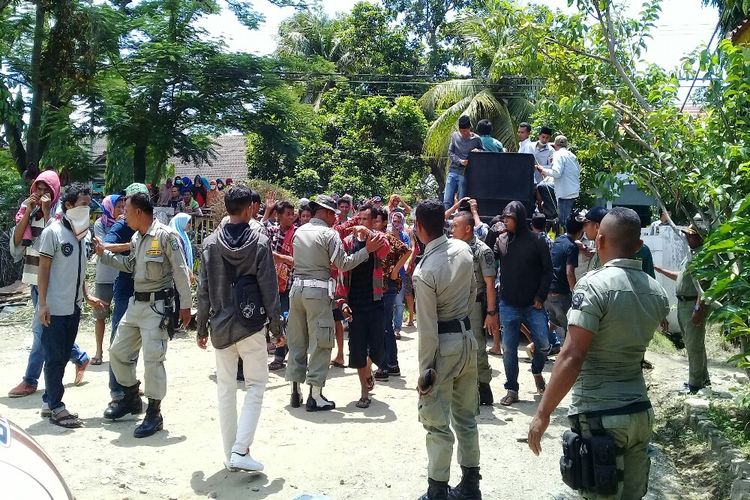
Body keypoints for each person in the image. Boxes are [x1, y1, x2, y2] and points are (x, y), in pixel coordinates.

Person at [528, 207, 670, 499]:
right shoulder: (657, 292)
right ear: (639, 246)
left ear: (600, 241)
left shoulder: (593, 286)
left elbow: (572, 356)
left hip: (601, 417)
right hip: (640, 413)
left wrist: (542, 413)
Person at [196, 185, 282, 473]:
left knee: (226, 389)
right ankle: (240, 449)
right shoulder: (259, 242)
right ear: (249, 209)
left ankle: (230, 453)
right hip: (251, 325)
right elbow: (269, 287)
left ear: (226, 209)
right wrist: (276, 325)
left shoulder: (209, 243)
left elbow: (203, 290)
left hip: (220, 325)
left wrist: (201, 328)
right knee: (256, 385)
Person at [94, 192, 192, 438]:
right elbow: (129, 265)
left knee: (152, 360)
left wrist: (186, 306)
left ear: (138, 212)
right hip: (136, 304)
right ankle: (131, 397)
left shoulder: (166, 236)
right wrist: (104, 255)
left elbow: (180, 272)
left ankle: (154, 414)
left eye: (126, 210)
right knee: (117, 352)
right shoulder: (138, 238)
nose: (122, 214)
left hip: (157, 308)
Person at [285, 195, 385, 411]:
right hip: (318, 291)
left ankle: (295, 391)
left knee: (297, 340)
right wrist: (366, 250)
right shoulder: (329, 234)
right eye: (334, 214)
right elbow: (344, 264)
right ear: (327, 212)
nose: (336, 218)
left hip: (296, 290)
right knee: (321, 342)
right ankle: (316, 395)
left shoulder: (299, 231)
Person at [413, 200, 481, 500]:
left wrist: (425, 371)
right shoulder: (464, 249)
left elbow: (427, 329)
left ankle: (437, 490)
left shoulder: (424, 270)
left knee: (437, 423)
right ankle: (470, 485)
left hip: (443, 346)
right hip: (467, 338)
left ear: (418, 228)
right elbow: (473, 292)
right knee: (466, 419)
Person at [7, 170, 91, 398]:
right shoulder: (27, 209)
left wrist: (45, 213)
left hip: (53, 281)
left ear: (55, 191)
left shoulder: (61, 215)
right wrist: (28, 212)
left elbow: (53, 243)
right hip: (34, 278)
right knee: (47, 328)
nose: (41, 193)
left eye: (47, 189)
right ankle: (80, 358)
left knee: (41, 331)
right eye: (38, 189)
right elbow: (16, 243)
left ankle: (30, 380)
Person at [37, 183, 105, 428]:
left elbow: (79, 272)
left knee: (63, 355)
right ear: (68, 206)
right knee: (55, 357)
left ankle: (48, 401)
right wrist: (42, 304)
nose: (87, 209)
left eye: (89, 204)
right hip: (54, 307)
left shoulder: (82, 235)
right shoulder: (52, 233)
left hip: (73, 307)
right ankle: (56, 406)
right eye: (83, 204)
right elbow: (43, 270)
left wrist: (87, 296)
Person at [494, 201, 553, 406]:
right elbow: (489, 261)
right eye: (503, 218)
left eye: (508, 218)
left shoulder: (537, 241)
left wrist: (540, 297)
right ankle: (512, 389)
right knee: (508, 348)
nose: (504, 221)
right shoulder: (501, 240)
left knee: (544, 345)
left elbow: (548, 271)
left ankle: (537, 370)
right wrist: (491, 234)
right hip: (508, 303)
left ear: (519, 219)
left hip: (533, 304)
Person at [338, 205, 392, 407]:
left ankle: (369, 369)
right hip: (355, 304)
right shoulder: (348, 242)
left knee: (377, 348)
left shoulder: (378, 240)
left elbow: (386, 249)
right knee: (358, 349)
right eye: (359, 219)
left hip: (375, 301)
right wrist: (342, 302)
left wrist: (369, 235)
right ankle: (364, 393)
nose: (361, 224)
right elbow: (342, 274)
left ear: (373, 222)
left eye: (366, 220)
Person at [99, 183, 145, 420]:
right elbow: (104, 246)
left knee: (138, 342)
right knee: (119, 340)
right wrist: (132, 246)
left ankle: (131, 387)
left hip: (148, 289)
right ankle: (117, 391)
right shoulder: (121, 224)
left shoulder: (152, 224)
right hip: (126, 288)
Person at [655, 222, 711, 394]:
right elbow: (682, 277)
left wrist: (698, 309)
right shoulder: (692, 255)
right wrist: (660, 270)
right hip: (684, 304)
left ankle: (695, 384)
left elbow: (704, 286)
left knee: (694, 345)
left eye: (691, 235)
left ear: (699, 237)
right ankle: (703, 379)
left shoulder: (704, 257)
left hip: (693, 304)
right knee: (693, 344)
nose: (687, 237)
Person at [450, 210, 499, 406]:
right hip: (456, 302)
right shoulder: (453, 247)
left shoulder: (482, 250)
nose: (452, 229)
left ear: (468, 228)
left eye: (455, 226)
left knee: (477, 345)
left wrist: (491, 313)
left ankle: (483, 386)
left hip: (475, 304)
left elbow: (489, 283)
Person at [373, 207, 410, 377]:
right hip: (379, 286)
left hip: (388, 286)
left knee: (385, 324)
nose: (374, 223)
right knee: (383, 324)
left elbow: (407, 251)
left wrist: (395, 271)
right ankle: (391, 364)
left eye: (377, 220)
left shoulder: (387, 238)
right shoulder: (372, 239)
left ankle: (386, 365)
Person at [91, 194, 125, 365]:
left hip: (121, 275)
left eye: (122, 206)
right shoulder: (99, 224)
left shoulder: (127, 224)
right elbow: (103, 247)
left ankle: (116, 351)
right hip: (104, 276)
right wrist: (125, 244)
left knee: (119, 317)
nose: (121, 209)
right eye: (118, 206)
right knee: (100, 315)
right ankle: (98, 350)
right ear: (109, 208)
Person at [545, 215, 585, 350]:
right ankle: (566, 358)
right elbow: (569, 272)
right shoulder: (572, 247)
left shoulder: (558, 240)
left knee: (554, 322)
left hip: (548, 292)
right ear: (581, 232)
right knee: (571, 328)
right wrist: (575, 292)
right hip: (561, 293)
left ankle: (535, 346)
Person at [266, 200, 297, 371]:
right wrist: (268, 210)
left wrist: (280, 258)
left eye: (293, 214)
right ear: (278, 216)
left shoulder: (297, 234)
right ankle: (281, 351)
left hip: (291, 283)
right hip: (272, 283)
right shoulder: (271, 232)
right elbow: (257, 230)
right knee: (276, 320)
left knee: (287, 320)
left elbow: (298, 260)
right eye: (288, 214)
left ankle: (280, 356)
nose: (291, 217)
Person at [536, 135, 580, 229]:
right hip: (572, 190)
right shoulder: (571, 155)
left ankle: (564, 238)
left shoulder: (558, 154)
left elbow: (556, 173)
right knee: (567, 218)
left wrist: (542, 170)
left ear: (556, 145)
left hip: (564, 192)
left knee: (563, 221)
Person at [444, 115, 483, 210]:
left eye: (465, 131)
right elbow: (450, 152)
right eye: (461, 131)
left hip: (465, 173)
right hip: (453, 170)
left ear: (469, 128)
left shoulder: (476, 139)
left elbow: (483, 152)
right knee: (447, 199)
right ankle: (444, 218)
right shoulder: (455, 136)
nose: (463, 133)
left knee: (462, 199)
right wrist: (459, 161)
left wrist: (478, 151)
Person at [388, 210, 411, 338]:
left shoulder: (405, 236)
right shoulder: (387, 235)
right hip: (388, 274)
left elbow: (406, 252)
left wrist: (397, 237)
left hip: (400, 274)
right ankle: (389, 326)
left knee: (399, 303)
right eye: (394, 221)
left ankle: (397, 328)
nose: (395, 224)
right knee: (389, 302)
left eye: (398, 221)